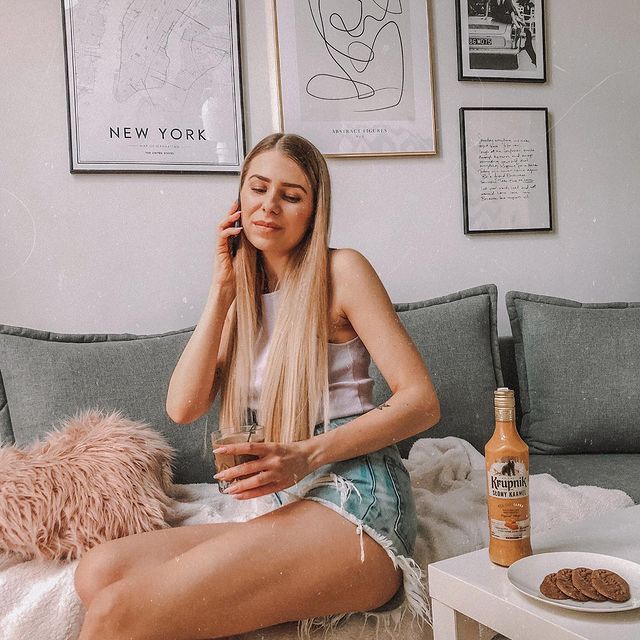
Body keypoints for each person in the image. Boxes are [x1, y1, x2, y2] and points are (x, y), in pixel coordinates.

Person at [73, 133, 441, 639]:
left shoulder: (343, 270)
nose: (269, 205)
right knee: (97, 573)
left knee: (117, 612)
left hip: (355, 501)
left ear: (314, 211)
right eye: (258, 188)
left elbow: (422, 402)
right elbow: (182, 407)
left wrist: (305, 455)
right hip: (287, 505)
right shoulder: (242, 293)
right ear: (240, 197)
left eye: (291, 195)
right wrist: (221, 289)